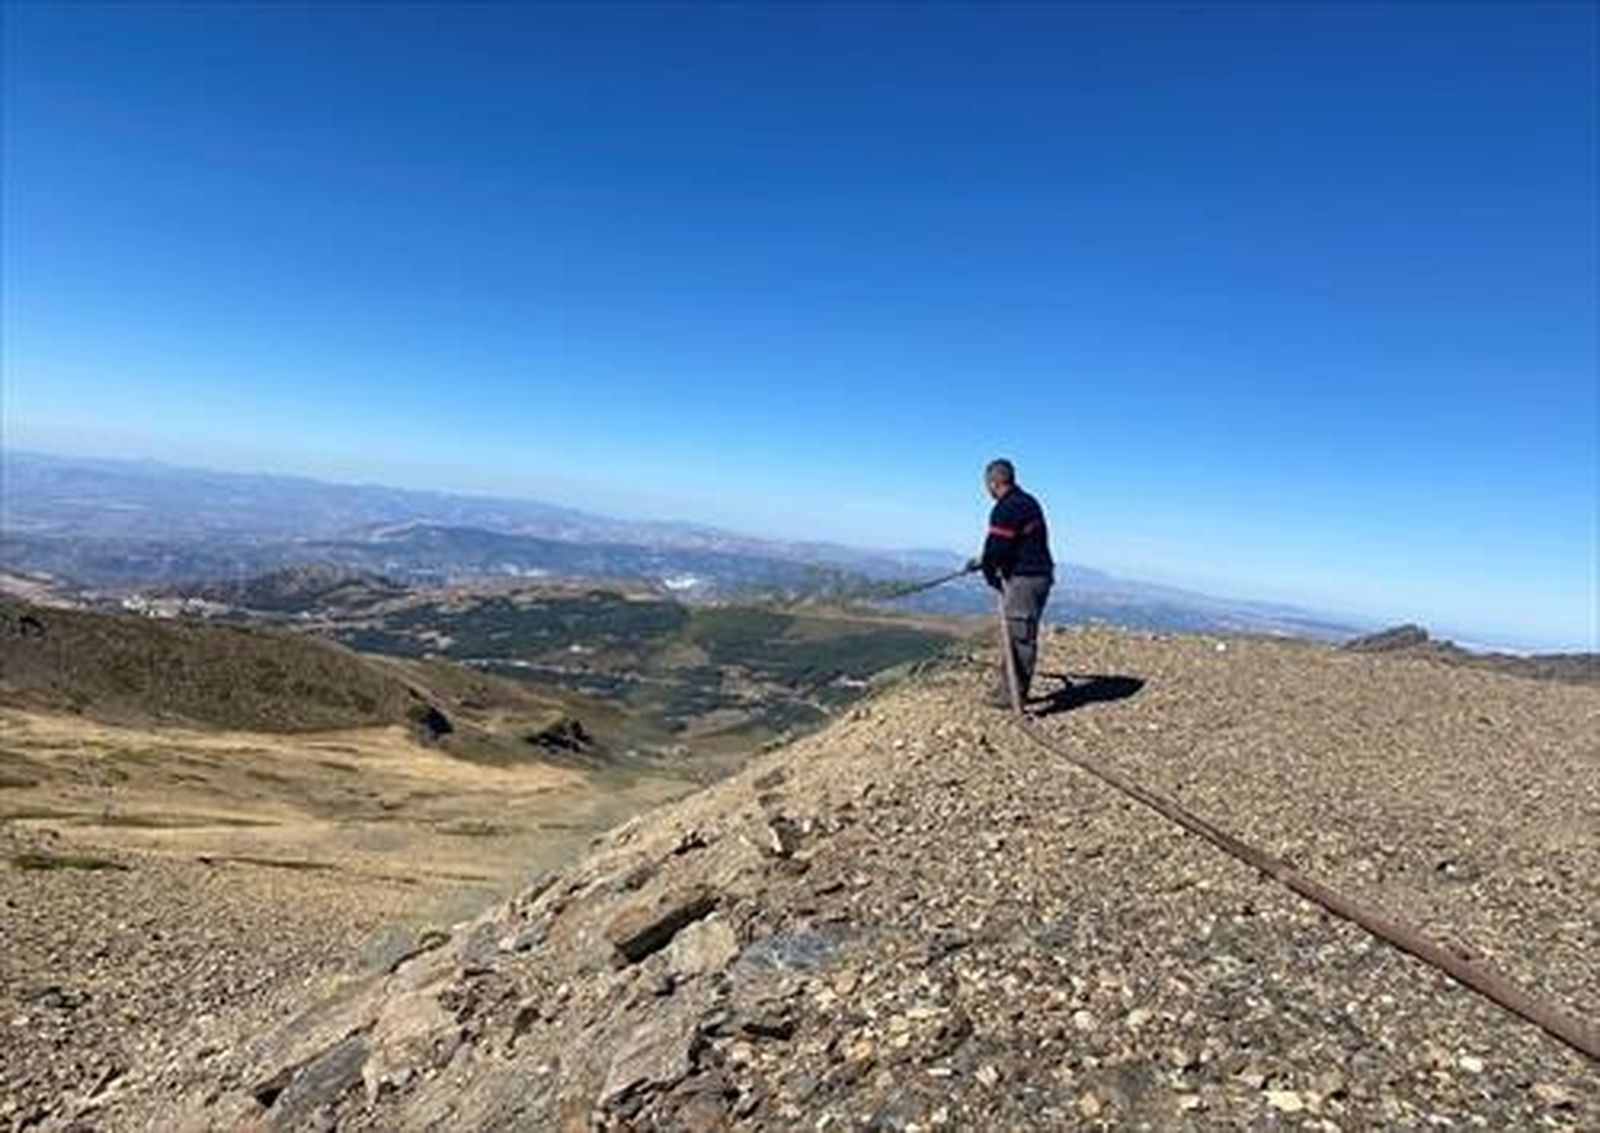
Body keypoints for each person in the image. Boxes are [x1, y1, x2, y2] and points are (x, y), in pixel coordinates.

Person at [966, 459, 1054, 708]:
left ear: (993, 483)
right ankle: (1009, 689)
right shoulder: (1027, 502)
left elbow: (997, 549)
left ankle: (1013, 696)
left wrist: (990, 576)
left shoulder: (1006, 508)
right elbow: (1013, 543)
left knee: (1019, 637)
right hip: (1037, 576)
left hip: (1026, 580)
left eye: (987, 485)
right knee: (1018, 635)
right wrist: (985, 562)